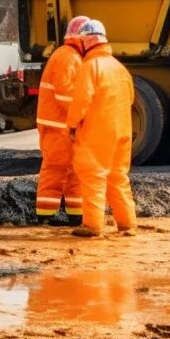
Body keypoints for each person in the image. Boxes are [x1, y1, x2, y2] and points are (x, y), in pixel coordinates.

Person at [67, 19, 137, 237]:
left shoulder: (90, 67)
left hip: (97, 132)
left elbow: (81, 101)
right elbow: (131, 98)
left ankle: (92, 225)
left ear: (86, 41)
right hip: (122, 131)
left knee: (93, 176)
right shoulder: (120, 68)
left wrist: (71, 124)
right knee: (118, 177)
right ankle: (127, 223)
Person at [35, 16, 89, 225]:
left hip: (63, 125)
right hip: (58, 126)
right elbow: (66, 95)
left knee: (73, 170)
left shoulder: (70, 56)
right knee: (56, 169)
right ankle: (45, 216)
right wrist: (85, 113)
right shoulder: (68, 57)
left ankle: (75, 213)